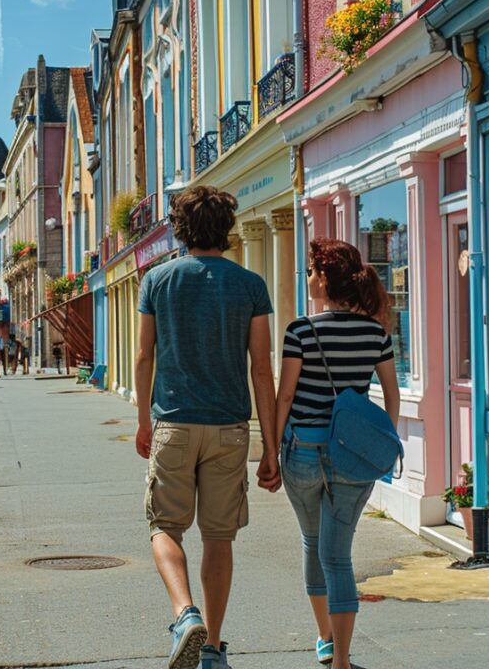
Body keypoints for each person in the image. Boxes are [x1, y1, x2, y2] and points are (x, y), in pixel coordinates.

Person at [134, 185, 279, 669]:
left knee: (164, 526)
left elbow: (143, 355)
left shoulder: (157, 281)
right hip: (229, 429)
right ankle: (213, 648)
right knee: (220, 538)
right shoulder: (249, 285)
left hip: (173, 424)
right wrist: (271, 445)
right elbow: (262, 368)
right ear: (227, 228)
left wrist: (142, 422)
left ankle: (184, 613)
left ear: (180, 228)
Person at [274, 237, 401, 669]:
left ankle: (326, 639)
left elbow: (286, 394)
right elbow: (391, 393)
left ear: (326, 278)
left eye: (312, 271)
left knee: (313, 544)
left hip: (304, 452)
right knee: (338, 554)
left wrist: (273, 449)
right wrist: (384, 439)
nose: (308, 277)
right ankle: (342, 659)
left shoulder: (301, 330)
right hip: (352, 457)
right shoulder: (375, 333)